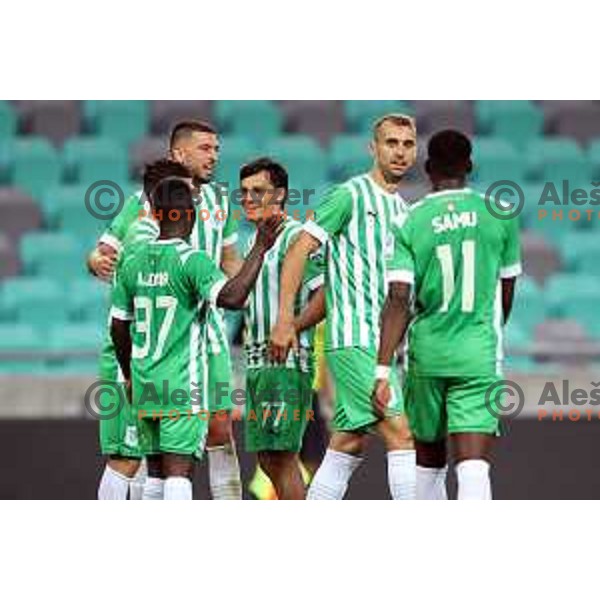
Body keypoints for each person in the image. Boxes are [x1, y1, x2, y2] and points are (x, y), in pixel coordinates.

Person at [90, 119, 245, 500]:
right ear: (178, 153)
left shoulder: (220, 201)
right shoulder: (144, 205)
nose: (214, 156)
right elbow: (102, 253)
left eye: (217, 149)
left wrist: (256, 304)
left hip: (206, 335)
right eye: (205, 149)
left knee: (220, 427)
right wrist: (96, 259)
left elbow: (230, 263)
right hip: (159, 337)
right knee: (138, 452)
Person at [110, 161, 282, 500]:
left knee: (155, 473)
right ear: (188, 215)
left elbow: (119, 325)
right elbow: (232, 298)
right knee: (179, 472)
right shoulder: (193, 261)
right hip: (181, 385)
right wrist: (261, 246)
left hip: (145, 382)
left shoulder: (133, 262)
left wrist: (129, 375)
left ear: (157, 215)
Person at [270, 114, 417, 500]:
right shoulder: (349, 195)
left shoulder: (405, 212)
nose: (400, 151)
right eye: (391, 142)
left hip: (384, 347)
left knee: (348, 443)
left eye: (407, 144)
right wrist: (286, 318)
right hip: (354, 338)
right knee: (401, 435)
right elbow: (300, 250)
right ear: (373, 148)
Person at [372, 129, 521, 500]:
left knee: (428, 461)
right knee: (473, 465)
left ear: (427, 168)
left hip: (427, 356)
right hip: (477, 353)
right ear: (469, 166)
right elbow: (506, 291)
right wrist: (484, 333)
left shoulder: (409, 220)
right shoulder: (498, 213)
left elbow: (398, 299)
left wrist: (381, 368)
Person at [239, 157, 324, 499]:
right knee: (269, 459)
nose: (247, 198)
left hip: (287, 364)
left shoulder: (297, 239)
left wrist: (290, 326)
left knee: (283, 457)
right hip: (259, 363)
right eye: (243, 191)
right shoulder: (254, 243)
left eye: (258, 191)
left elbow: (324, 294)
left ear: (280, 196)